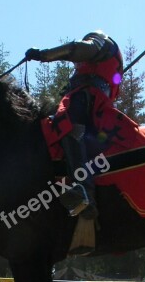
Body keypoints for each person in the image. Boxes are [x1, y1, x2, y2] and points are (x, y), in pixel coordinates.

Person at [25, 31, 124, 223]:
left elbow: (75, 49)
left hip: (88, 97)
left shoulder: (102, 43)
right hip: (88, 97)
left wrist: (43, 55)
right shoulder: (104, 60)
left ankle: (84, 190)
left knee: (68, 127)